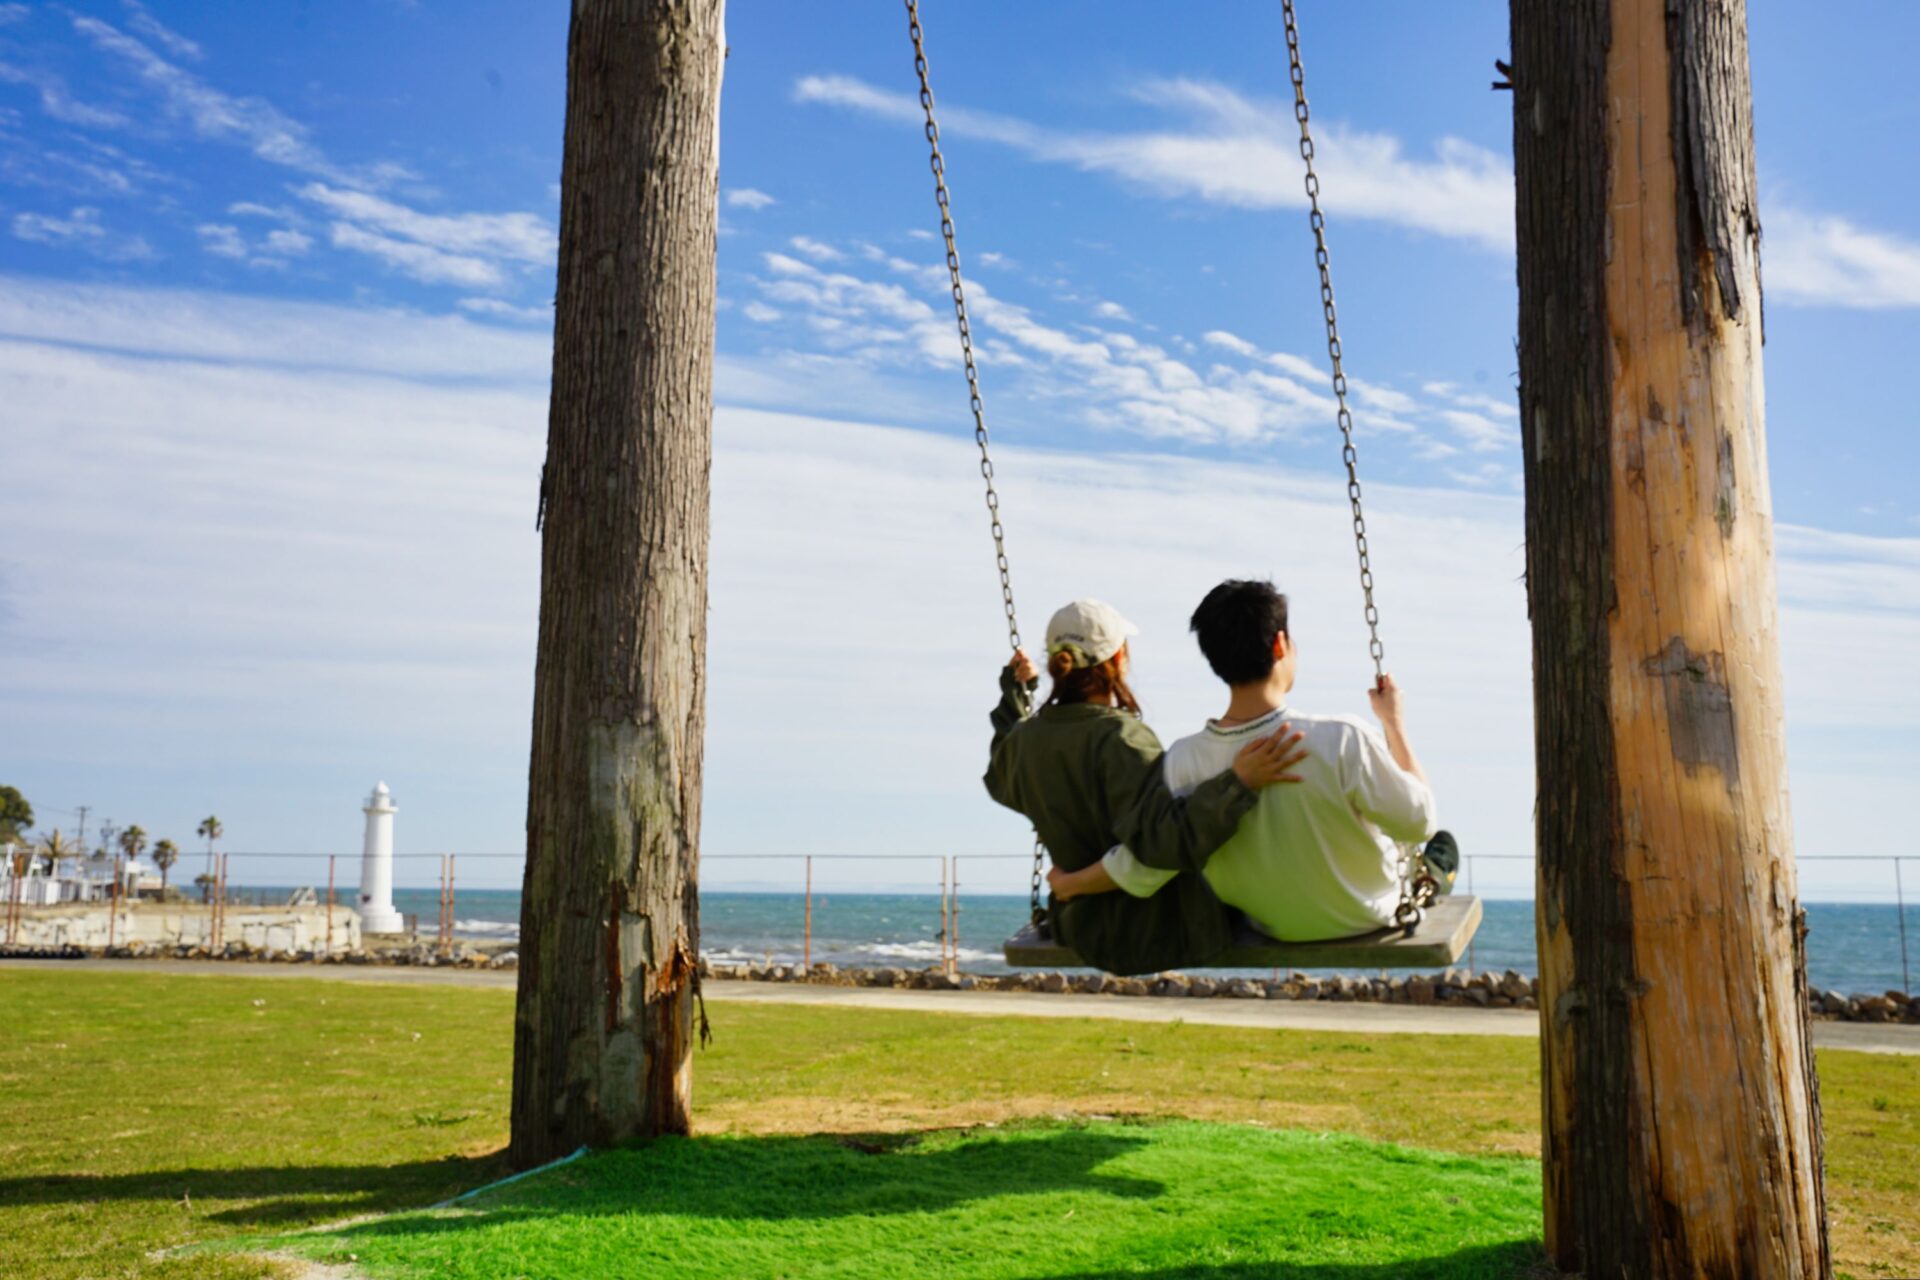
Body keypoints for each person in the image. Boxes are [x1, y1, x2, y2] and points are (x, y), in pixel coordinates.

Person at [1047, 579, 1457, 942]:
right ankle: (1435, 877)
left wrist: (1072, 883)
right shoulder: (1340, 739)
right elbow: (1418, 822)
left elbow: (1148, 864)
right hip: (1365, 915)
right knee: (1439, 846)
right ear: (1280, 645)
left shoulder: (1182, 760)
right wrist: (1393, 724)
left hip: (1267, 924)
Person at [984, 598, 1307, 975]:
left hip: (1082, 929)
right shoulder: (1121, 739)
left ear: (1057, 664)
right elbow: (1162, 844)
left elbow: (1002, 767)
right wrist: (1237, 784)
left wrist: (1017, 692)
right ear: (1120, 658)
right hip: (1161, 931)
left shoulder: (1026, 743)